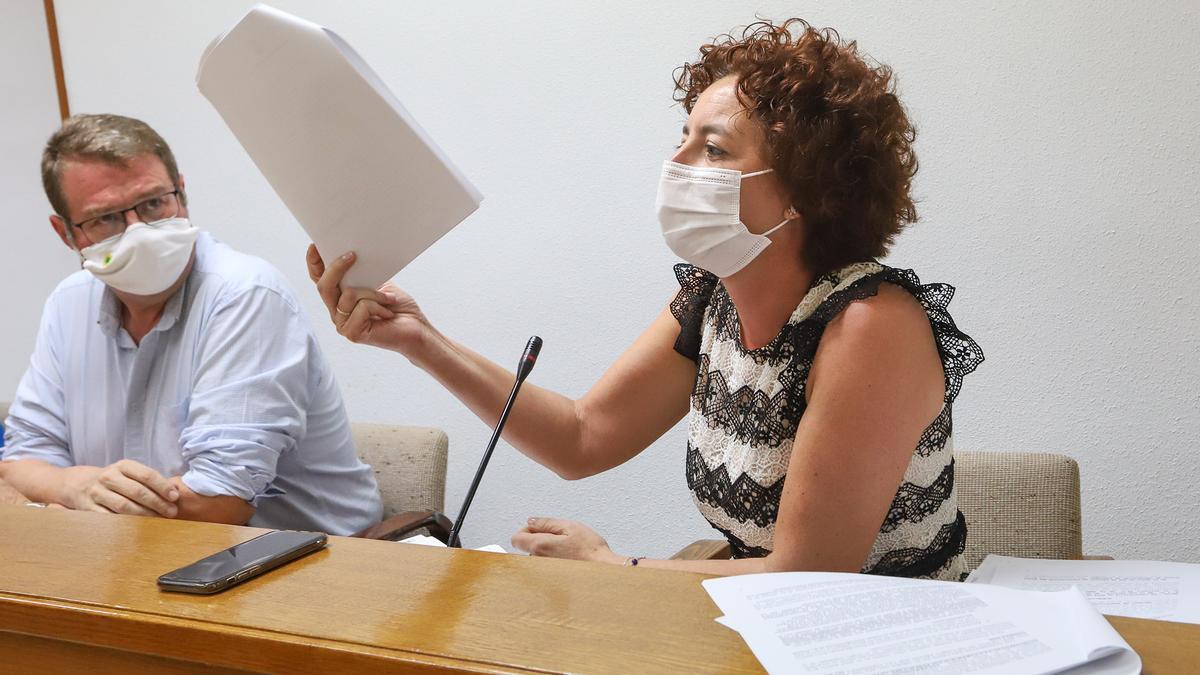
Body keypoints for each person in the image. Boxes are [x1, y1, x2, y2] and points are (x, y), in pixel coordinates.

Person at [308, 19, 983, 578]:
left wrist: (612, 563)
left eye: (713, 149)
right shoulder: (711, 302)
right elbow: (581, 436)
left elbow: (807, 570)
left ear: (808, 188)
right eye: (682, 139)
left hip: (892, 639)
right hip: (768, 630)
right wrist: (421, 341)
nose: (678, 165)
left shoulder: (870, 322)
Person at [0, 114, 382, 535]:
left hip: (307, 565)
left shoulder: (245, 293)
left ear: (181, 191)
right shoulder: (68, 303)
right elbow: (21, 462)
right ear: (66, 233)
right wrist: (75, 487)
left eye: (153, 204)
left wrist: (60, 504)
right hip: (138, 560)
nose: (139, 233)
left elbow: (219, 503)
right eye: (105, 218)